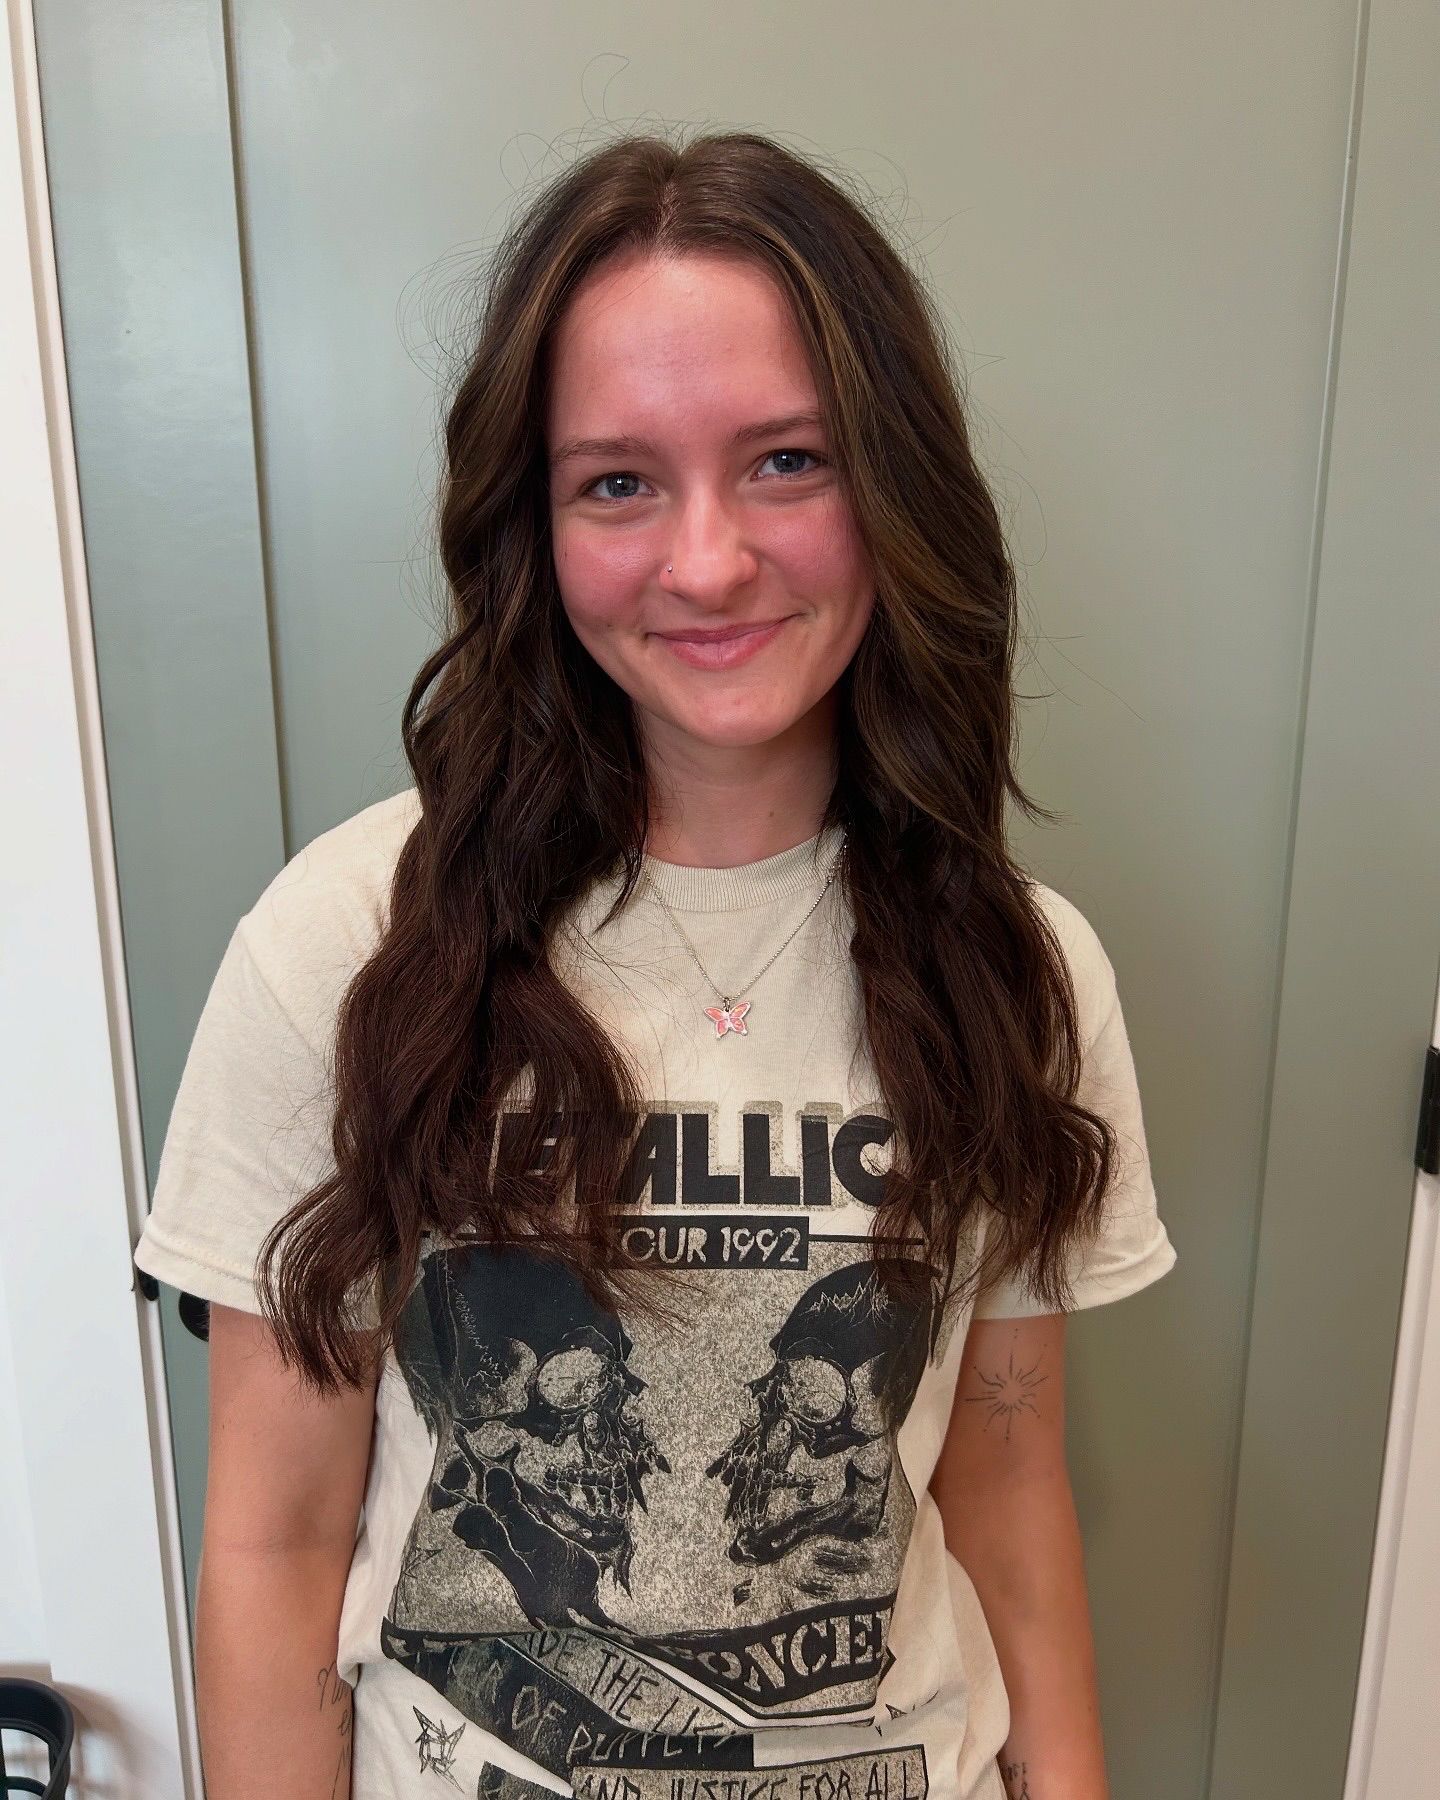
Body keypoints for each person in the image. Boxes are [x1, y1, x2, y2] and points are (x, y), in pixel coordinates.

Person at [133, 128, 1177, 1800]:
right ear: (533, 529)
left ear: (894, 482)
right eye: (618, 480)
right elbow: (271, 1546)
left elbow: (1002, 1481)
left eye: (787, 462)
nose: (707, 562)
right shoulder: (345, 947)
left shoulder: (1022, 970)